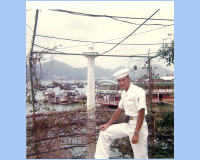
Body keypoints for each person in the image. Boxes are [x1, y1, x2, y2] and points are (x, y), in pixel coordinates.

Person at [94, 68, 148, 159]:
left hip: (138, 126)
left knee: (140, 156)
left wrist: (136, 132)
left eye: (123, 80)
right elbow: (119, 109)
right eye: (119, 81)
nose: (121, 83)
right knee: (105, 132)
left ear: (129, 79)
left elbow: (141, 112)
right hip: (128, 124)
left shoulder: (138, 91)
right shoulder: (124, 93)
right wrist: (108, 124)